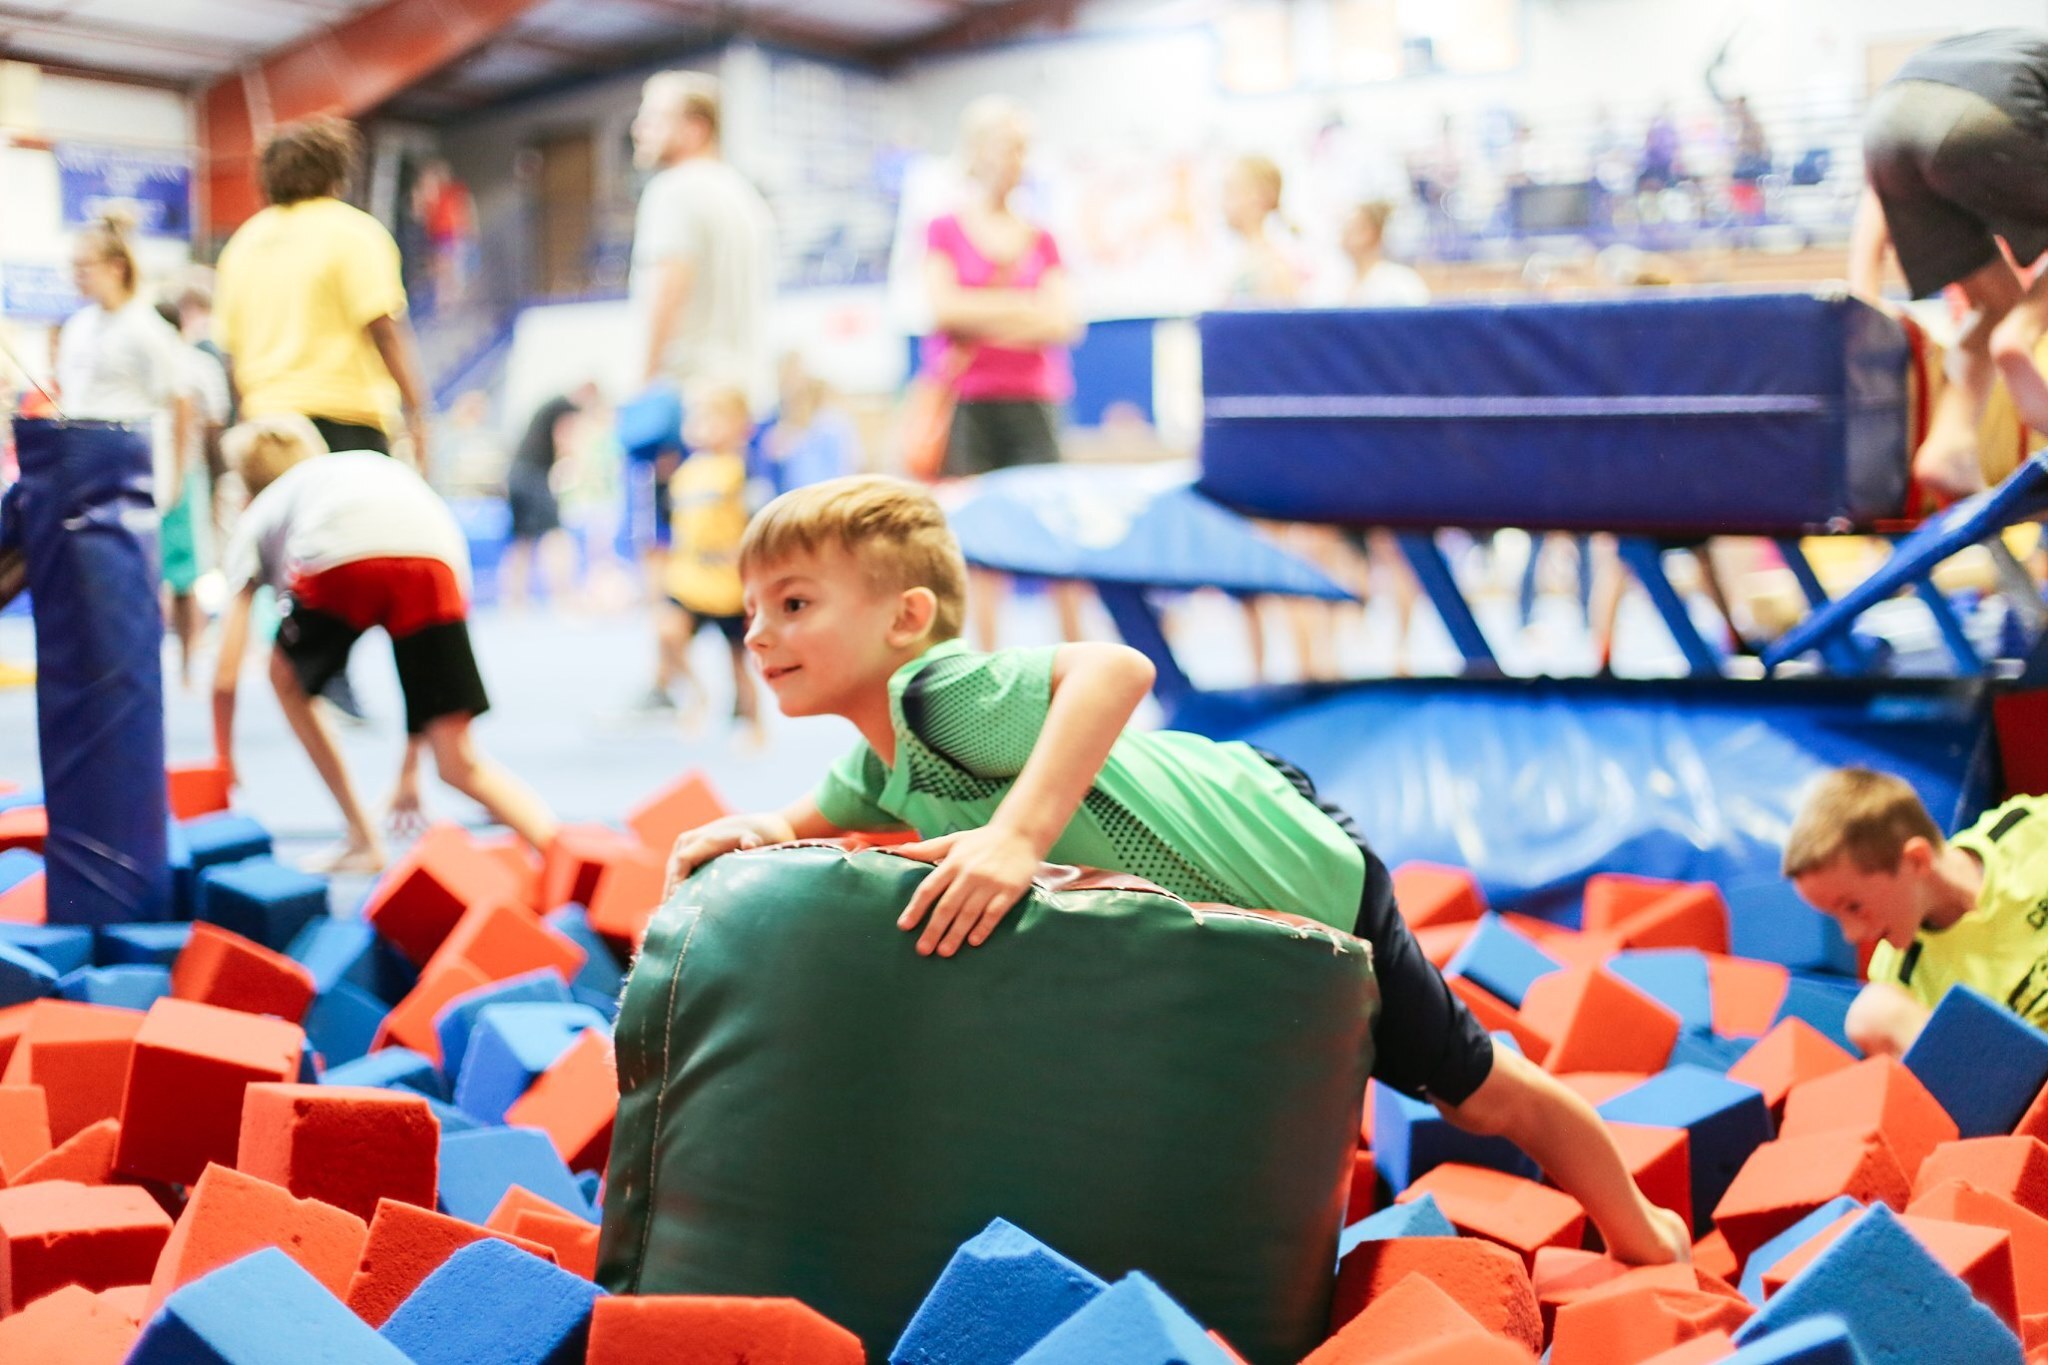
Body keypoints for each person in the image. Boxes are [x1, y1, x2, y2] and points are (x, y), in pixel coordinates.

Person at [655, 475, 1689, 1266]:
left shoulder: (940, 693)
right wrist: (742, 833)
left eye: (792, 605)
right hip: (1226, 912)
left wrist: (1016, 835)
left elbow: (1114, 670)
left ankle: (1641, 1233)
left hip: (1301, 874)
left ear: (906, 618)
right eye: (750, 611)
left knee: (1477, 1094)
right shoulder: (879, 757)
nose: (757, 634)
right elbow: (806, 822)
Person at [211, 416, 556, 873]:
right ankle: (563, 855)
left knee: (285, 675)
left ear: (246, 490)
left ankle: (361, 838)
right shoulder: (344, 477)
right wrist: (410, 772)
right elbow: (418, 663)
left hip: (341, 554)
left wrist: (224, 762)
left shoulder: (265, 509)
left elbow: (225, 677)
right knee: (459, 763)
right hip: (437, 555)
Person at [626, 70, 775, 711]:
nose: (639, 128)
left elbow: (671, 281)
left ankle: (668, 680)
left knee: (666, 544)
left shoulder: (676, 190)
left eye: (653, 116)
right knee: (729, 542)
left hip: (687, 396)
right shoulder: (744, 195)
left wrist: (643, 379)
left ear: (695, 127)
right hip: (744, 394)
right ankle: (748, 682)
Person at [922, 95, 1085, 650]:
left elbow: (1064, 321)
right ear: (976, 151)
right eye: (1006, 145)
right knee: (980, 541)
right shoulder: (944, 228)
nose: (1016, 158)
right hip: (971, 398)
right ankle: (988, 660)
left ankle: (1077, 655)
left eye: (1022, 147)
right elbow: (942, 309)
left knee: (1054, 531)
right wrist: (1023, 310)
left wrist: (980, 316)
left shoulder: (1042, 236)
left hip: (1034, 399)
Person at [1863, 30, 2048, 501]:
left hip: (1886, 125)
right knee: (2013, 316)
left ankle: (1950, 443)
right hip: (1985, 112)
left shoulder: (1999, 49)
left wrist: (1861, 289)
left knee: (1994, 300)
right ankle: (2019, 334)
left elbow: (1871, 200)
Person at [213, 115, 432, 468]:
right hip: (343, 423)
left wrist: (247, 417)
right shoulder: (355, 233)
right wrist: (419, 412)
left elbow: (231, 353)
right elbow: (383, 330)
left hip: (267, 423)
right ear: (336, 172)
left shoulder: (242, 244)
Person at [1785, 767, 2048, 1058]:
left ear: (1917, 860)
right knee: (1872, 1012)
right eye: (1836, 916)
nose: (1852, 934)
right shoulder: (1899, 982)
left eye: (1853, 906)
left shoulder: (2029, 830)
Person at [55, 215, 200, 667]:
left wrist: (175, 477)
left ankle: (153, 661)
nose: (78, 274)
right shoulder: (77, 326)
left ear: (117, 266)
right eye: (74, 265)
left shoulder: (147, 329)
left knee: (149, 581)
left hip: (133, 479)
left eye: (86, 265)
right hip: (82, 474)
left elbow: (179, 403)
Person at [650, 379, 761, 742]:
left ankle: (754, 725)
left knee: (738, 662)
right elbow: (673, 527)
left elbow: (758, 519)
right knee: (667, 633)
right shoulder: (684, 472)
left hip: (728, 582)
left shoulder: (742, 470)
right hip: (687, 577)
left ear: (740, 426)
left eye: (716, 418)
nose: (704, 425)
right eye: (699, 417)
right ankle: (697, 695)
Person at [153, 299, 232, 689]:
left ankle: (186, 663)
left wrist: (203, 481)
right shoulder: (158, 363)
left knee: (183, 578)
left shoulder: (196, 367)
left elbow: (214, 426)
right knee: (171, 578)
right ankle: (181, 665)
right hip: (163, 475)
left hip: (183, 479)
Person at [503, 383, 596, 609]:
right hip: (533, 476)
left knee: (522, 539)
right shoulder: (566, 405)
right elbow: (563, 437)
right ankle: (564, 597)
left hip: (516, 475)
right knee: (556, 535)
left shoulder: (550, 404)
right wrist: (576, 464)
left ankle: (514, 602)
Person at [1333, 200, 1430, 307]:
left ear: (1376, 232)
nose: (1346, 232)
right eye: (1346, 226)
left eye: (1354, 227)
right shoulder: (1337, 281)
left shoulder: (1400, 281)